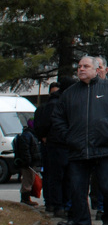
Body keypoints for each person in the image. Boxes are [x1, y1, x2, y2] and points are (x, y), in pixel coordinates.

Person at [52, 55, 108, 225]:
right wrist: (68, 136)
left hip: (105, 147)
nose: (81, 69)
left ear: (97, 69)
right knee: (78, 190)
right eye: (79, 66)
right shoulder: (70, 93)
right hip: (78, 150)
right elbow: (58, 118)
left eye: (86, 66)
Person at [33, 82, 70, 217]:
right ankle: (59, 204)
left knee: (53, 176)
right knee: (59, 177)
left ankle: (53, 203)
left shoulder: (47, 106)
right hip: (58, 145)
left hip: (54, 145)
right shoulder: (57, 105)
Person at [13, 118, 42, 206]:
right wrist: (27, 161)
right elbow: (25, 150)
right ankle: (25, 199)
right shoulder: (27, 135)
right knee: (27, 180)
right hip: (28, 163)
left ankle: (26, 198)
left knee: (30, 179)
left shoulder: (31, 134)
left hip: (31, 162)